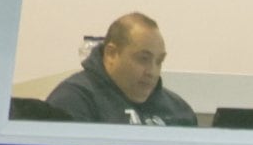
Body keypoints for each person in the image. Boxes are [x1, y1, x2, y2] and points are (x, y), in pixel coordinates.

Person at [43, 13, 195, 125]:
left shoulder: (179, 110)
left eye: (159, 61)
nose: (152, 71)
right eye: (143, 59)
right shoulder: (74, 100)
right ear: (111, 54)